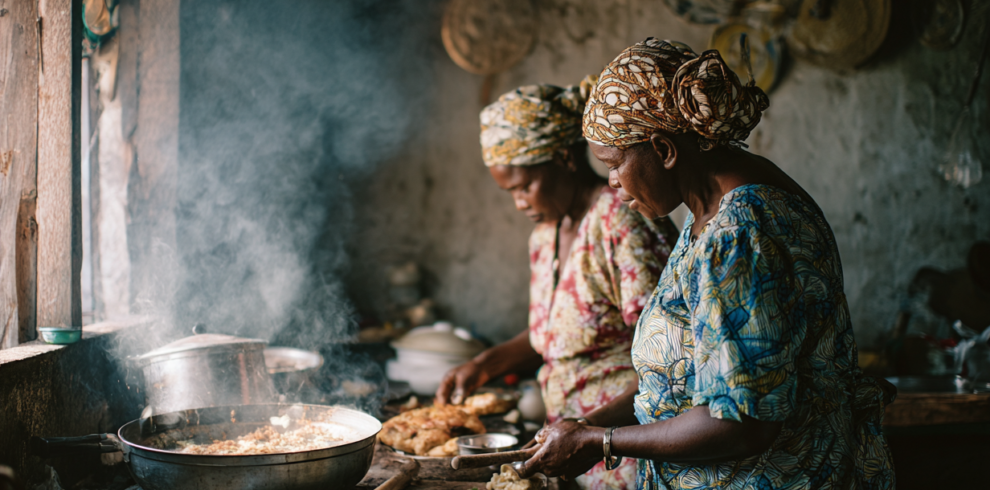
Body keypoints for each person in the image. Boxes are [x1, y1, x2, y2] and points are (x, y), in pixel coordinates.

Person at [518, 38, 896, 489]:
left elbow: (741, 424)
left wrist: (603, 441)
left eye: (614, 164)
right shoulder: (715, 210)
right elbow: (689, 378)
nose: (613, 183)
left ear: (663, 150)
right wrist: (585, 426)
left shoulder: (739, 234)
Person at [435, 78, 680, 489]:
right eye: (509, 192)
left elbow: (670, 360)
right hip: (569, 450)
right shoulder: (545, 233)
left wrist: (588, 430)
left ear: (565, 158)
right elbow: (552, 334)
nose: (519, 202)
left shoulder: (621, 222)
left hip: (620, 452)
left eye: (525, 186)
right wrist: (484, 365)